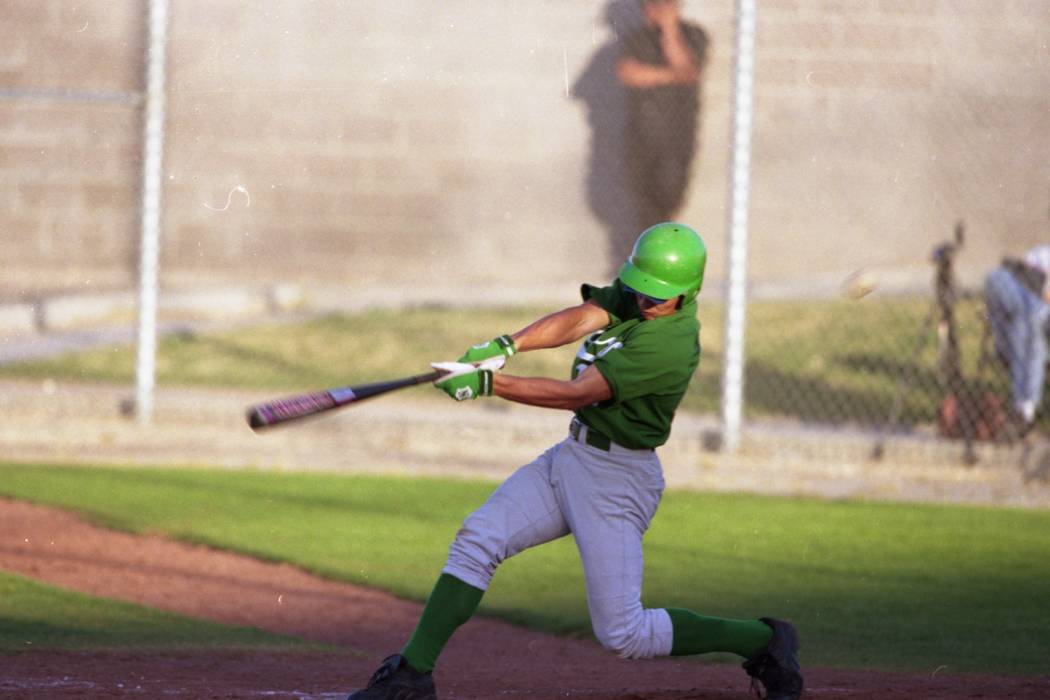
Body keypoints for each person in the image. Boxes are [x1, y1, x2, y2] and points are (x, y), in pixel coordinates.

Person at [345, 222, 804, 700]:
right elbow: (583, 318)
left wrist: (488, 384)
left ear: (687, 294)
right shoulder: (637, 296)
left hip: (618, 480)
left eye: (657, 297)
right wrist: (506, 347)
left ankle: (764, 640)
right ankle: (411, 675)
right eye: (640, 290)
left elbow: (577, 394)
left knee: (625, 634)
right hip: (572, 457)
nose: (644, 302)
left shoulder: (668, 344)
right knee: (478, 539)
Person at [615, 0, 708, 262]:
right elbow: (629, 74)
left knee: (669, 197)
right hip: (642, 136)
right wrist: (672, 75)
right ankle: (648, 263)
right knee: (644, 204)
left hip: (677, 138)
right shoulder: (638, 38)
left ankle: (658, 261)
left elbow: (689, 69)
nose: (650, 11)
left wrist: (670, 30)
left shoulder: (693, 35)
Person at [984, 244, 1050, 434]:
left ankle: (1023, 411)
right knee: (997, 277)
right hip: (1031, 314)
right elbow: (1023, 277)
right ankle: (1023, 411)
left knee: (1031, 318)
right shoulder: (1042, 254)